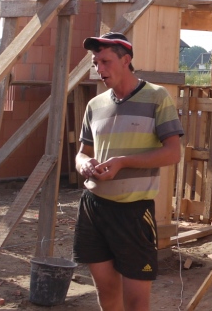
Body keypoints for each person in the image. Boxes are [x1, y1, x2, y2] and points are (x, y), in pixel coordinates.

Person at [73, 32, 183, 311]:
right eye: (96, 63)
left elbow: (173, 153)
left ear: (126, 60)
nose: (99, 69)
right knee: (107, 292)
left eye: (105, 62)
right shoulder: (95, 105)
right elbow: (82, 152)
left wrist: (122, 162)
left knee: (135, 301)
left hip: (133, 212)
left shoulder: (157, 97)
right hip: (94, 209)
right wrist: (83, 164)